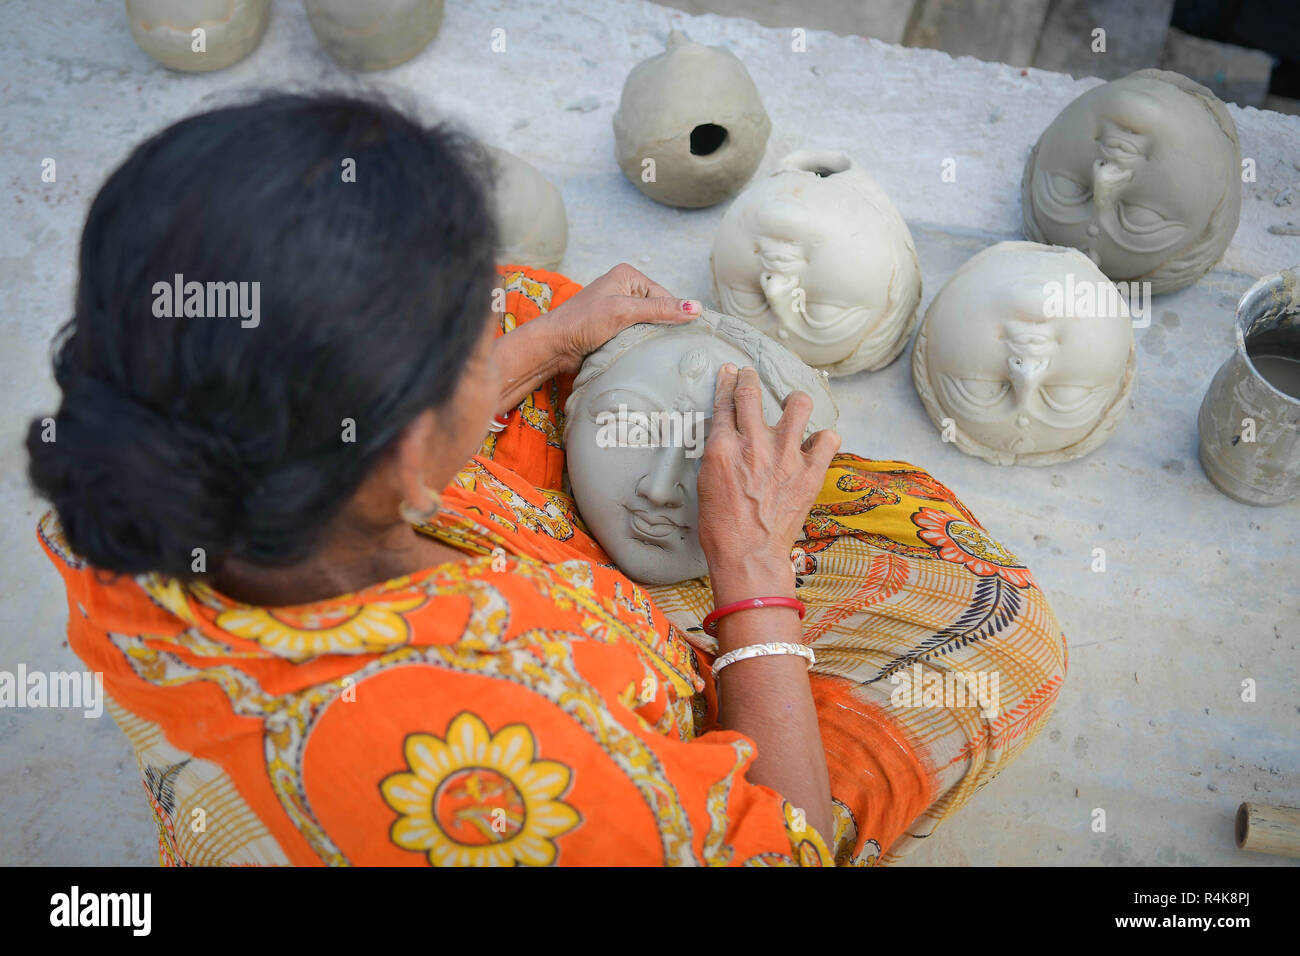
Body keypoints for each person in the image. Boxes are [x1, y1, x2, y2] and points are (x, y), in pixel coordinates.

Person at [29, 93, 1066, 866]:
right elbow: (771, 852)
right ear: (402, 462)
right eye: (468, 347)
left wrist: (531, 347)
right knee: (999, 630)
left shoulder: (135, 448)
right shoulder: (501, 753)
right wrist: (752, 574)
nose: (503, 340)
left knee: (554, 310)